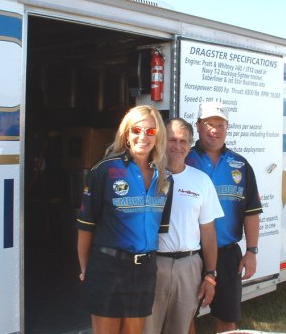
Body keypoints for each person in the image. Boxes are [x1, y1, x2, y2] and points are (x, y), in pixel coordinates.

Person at [76, 105, 172, 334]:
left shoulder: (165, 177)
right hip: (108, 267)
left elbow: (159, 228)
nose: (143, 137)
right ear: (126, 134)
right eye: (137, 130)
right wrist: (85, 269)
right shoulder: (104, 171)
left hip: (145, 270)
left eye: (150, 132)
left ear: (158, 135)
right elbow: (86, 227)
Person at [186, 102, 262, 333]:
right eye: (209, 124)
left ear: (227, 128)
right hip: (190, 255)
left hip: (227, 254)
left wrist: (251, 251)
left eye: (220, 124)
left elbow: (252, 211)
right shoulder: (184, 159)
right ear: (198, 126)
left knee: (227, 319)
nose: (215, 129)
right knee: (186, 316)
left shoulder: (240, 164)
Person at [144, 118, 224, 334]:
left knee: (180, 328)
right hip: (153, 264)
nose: (177, 146)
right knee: (147, 328)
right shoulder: (147, 176)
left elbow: (208, 233)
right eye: (171, 139)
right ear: (162, 140)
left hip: (189, 266)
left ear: (190, 145)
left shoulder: (201, 181)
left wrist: (210, 275)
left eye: (183, 141)